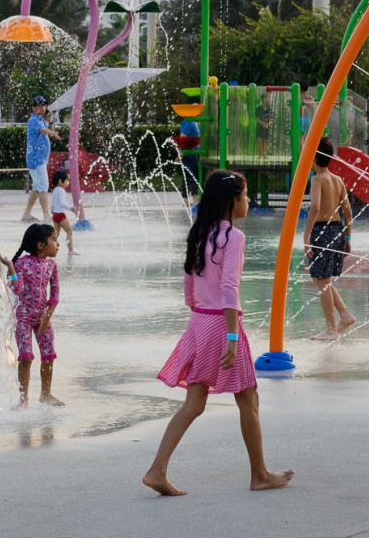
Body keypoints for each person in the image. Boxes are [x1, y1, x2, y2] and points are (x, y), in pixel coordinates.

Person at [144, 170, 293, 497]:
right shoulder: (234, 238)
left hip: (200, 320)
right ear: (231, 202)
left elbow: (188, 283)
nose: (249, 201)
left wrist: (200, 315)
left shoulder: (200, 233)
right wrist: (230, 336)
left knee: (194, 404)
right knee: (249, 397)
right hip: (222, 325)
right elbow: (229, 287)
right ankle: (260, 474)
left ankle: (157, 469)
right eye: (245, 195)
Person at [303, 138, 355, 340]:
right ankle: (345, 314)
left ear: (314, 157)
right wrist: (348, 237)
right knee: (323, 280)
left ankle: (331, 329)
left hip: (321, 231)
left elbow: (315, 206)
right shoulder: (338, 180)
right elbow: (348, 212)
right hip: (337, 230)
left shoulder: (317, 180)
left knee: (322, 281)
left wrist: (306, 237)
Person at [10, 222, 62, 407]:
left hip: (43, 317)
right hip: (23, 317)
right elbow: (18, 289)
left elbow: (55, 293)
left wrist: (48, 315)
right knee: (26, 357)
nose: (58, 244)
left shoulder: (51, 266)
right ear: (40, 245)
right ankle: (23, 400)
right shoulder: (21, 263)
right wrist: (10, 268)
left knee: (49, 355)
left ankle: (45, 394)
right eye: (54, 239)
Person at [22, 95, 53, 221]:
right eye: (39, 106)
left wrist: (51, 122)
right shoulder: (33, 120)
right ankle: (47, 215)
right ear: (34, 108)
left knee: (37, 188)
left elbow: (48, 128)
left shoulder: (41, 120)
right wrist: (53, 132)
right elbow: (45, 131)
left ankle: (26, 214)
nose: (42, 108)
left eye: (43, 105)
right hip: (36, 159)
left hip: (40, 159)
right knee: (43, 186)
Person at [49, 169, 76, 255]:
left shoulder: (55, 190)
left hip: (55, 215)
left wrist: (52, 211)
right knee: (69, 231)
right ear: (61, 181)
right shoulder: (61, 190)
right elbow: (62, 203)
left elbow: (53, 203)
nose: (68, 182)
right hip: (60, 215)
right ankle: (70, 250)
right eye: (67, 180)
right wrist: (71, 208)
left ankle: (49, 248)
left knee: (55, 235)